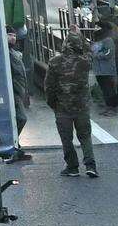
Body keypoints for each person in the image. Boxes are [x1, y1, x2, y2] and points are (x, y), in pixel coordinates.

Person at [42, 28, 99, 178]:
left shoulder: (55, 62)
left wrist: (52, 103)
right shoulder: (85, 61)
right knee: (85, 136)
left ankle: (72, 166)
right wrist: (80, 36)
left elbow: (49, 86)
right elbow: (91, 50)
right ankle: (90, 165)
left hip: (62, 106)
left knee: (66, 138)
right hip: (82, 106)